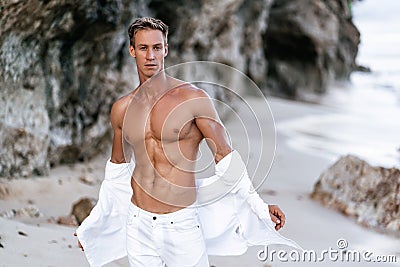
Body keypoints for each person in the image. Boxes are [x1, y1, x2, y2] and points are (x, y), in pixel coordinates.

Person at [75, 17, 299, 267]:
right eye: (143, 48)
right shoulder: (122, 108)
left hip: (180, 226)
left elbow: (225, 157)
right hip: (137, 224)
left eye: (157, 48)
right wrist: (95, 225)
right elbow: (116, 172)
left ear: (166, 50)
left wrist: (258, 205)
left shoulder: (193, 99)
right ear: (132, 51)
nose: (151, 56)